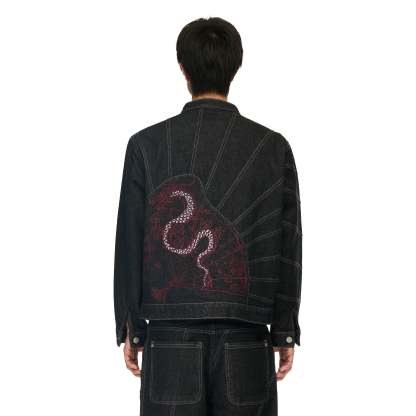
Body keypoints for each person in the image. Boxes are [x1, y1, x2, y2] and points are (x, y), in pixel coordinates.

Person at [113, 17, 302, 415]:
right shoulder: (273, 148)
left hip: (169, 338)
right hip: (246, 335)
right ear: (236, 65)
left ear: (183, 67)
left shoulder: (145, 146)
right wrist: (284, 329)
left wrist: (131, 325)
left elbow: (129, 239)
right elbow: (288, 244)